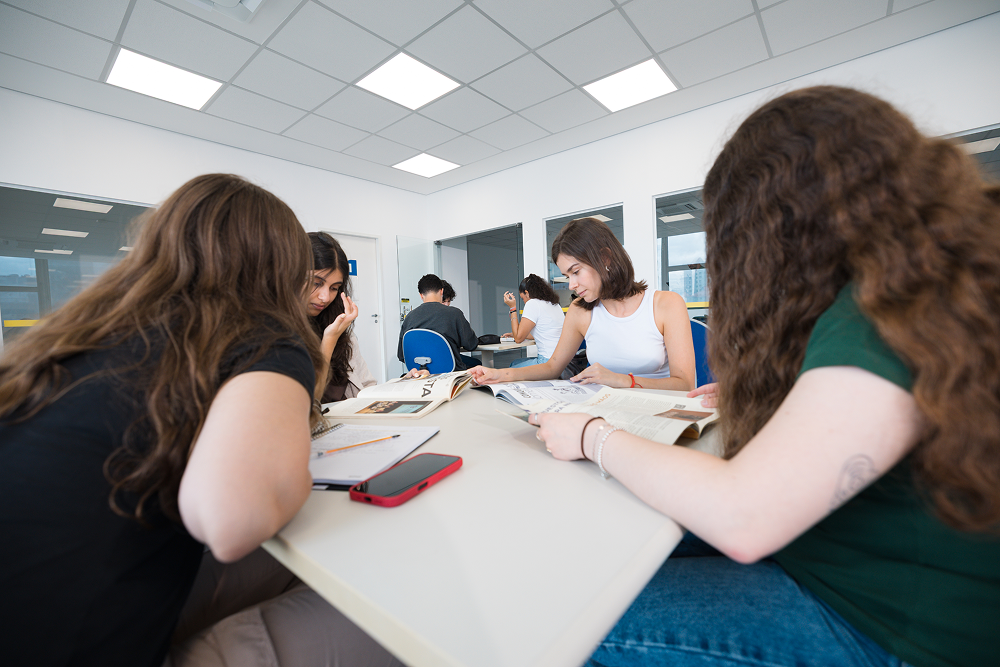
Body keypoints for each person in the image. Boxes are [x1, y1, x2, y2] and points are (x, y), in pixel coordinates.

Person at [533, 87, 1000, 666]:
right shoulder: (917, 288)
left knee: (575, 611)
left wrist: (590, 436)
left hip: (885, 624)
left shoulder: (883, 309)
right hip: (859, 566)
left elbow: (744, 517)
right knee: (639, 535)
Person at [0, 174, 403, 667]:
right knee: (382, 591)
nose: (319, 295)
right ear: (281, 268)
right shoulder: (265, 343)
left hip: (37, 608)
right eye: (309, 277)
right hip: (91, 640)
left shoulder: (77, 336)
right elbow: (230, 521)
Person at [470, 217, 695, 389]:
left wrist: (621, 380)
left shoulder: (666, 304)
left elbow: (684, 384)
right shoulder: (580, 311)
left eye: (576, 272)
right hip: (604, 410)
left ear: (605, 259)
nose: (571, 285)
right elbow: (552, 367)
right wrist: (500, 374)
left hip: (657, 412)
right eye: (568, 276)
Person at [306, 231, 376, 402]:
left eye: (334, 288)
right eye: (317, 283)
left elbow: (367, 385)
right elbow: (305, 402)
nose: (325, 297)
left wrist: (402, 385)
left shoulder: (339, 326)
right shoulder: (278, 333)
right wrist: (329, 340)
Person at [397, 273, 480, 371]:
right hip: (451, 374)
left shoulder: (409, 317)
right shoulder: (454, 314)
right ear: (441, 291)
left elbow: (402, 355)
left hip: (421, 374)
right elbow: (471, 344)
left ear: (421, 295)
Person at [502, 273, 565, 368]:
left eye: (522, 298)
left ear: (527, 293)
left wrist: (512, 308)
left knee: (512, 368)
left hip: (547, 362)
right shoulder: (555, 305)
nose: (523, 302)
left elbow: (518, 339)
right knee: (515, 363)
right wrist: (513, 333)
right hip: (563, 360)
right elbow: (544, 333)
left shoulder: (532, 303)